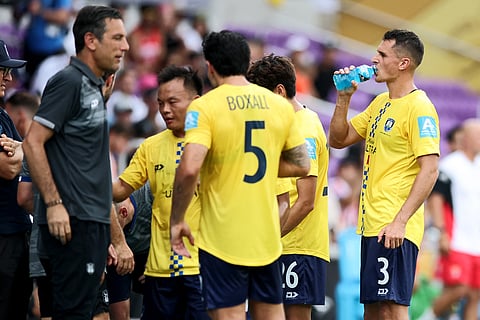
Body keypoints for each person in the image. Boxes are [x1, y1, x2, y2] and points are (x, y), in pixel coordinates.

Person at [169, 30, 310, 320]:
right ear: (247, 64)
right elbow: (301, 165)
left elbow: (190, 166)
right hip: (266, 238)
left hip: (222, 240)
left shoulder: (205, 107)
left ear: (210, 67)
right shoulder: (280, 106)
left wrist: (178, 219)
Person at [22, 6, 130, 319]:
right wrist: (54, 204)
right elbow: (33, 141)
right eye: (117, 38)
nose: (126, 46)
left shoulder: (94, 87)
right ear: (91, 41)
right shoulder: (68, 81)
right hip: (74, 224)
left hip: (90, 225)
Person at [328, 29, 440, 320]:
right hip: (371, 225)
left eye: (382, 54)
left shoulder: (420, 107)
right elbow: (338, 140)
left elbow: (430, 169)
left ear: (403, 63)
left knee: (392, 308)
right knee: (374, 310)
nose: (373, 59)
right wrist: (344, 98)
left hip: (393, 227)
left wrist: (399, 222)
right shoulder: (379, 104)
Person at [112, 65, 209, 319]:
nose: (164, 109)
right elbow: (121, 189)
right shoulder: (150, 146)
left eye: (173, 101)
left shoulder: (215, 142)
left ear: (196, 102)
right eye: (160, 102)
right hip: (158, 272)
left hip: (202, 268)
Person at [246, 53, 330, 320]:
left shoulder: (303, 128)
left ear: (279, 91)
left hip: (298, 246)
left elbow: (306, 201)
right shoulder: (284, 125)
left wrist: (268, 240)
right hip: (280, 242)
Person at [419, 119, 480, 320]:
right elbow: (436, 198)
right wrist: (441, 231)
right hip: (456, 239)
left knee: (473, 295)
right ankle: (425, 317)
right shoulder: (450, 165)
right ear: (466, 138)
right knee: (458, 289)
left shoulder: (478, 165)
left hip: (476, 241)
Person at [0, 39, 31, 320]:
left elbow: (21, 153)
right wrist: (25, 150)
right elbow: (8, 168)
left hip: (15, 232)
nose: (9, 77)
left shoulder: (2, 115)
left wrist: (21, 149)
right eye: (2, 70)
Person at [107, 182, 153, 320]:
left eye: (114, 225)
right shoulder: (105, 206)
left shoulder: (148, 194)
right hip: (119, 254)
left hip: (151, 252)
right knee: (120, 313)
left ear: (123, 212)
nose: (113, 230)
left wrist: (157, 263)